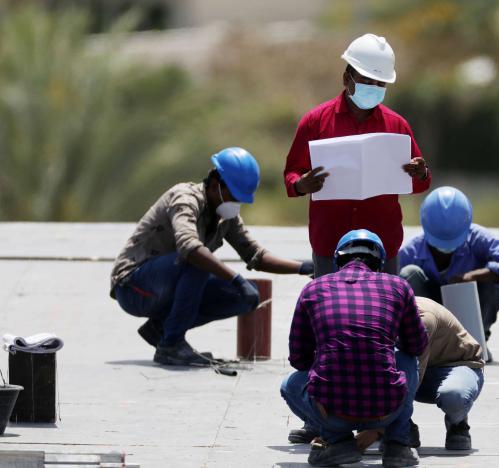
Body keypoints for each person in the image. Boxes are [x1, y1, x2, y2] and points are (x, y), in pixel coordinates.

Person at [110, 147, 314, 366]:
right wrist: (235, 278)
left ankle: (162, 329)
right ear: (216, 184)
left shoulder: (226, 216)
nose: (236, 203)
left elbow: (255, 254)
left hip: (164, 287)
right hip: (133, 287)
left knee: (246, 296)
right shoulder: (185, 198)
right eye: (233, 196)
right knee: (198, 259)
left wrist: (302, 267)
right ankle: (171, 345)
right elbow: (189, 247)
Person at [283, 33, 432, 278]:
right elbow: (291, 174)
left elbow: (420, 182)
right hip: (329, 246)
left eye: (380, 84)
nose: (374, 89)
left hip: (383, 247)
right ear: (346, 78)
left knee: (384, 315)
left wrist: (421, 172)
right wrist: (301, 184)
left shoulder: (398, 126)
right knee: (331, 315)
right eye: (367, 81)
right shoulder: (315, 122)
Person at [280, 229, 428, 467]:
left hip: (330, 412)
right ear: (379, 263)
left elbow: (299, 359)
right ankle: (398, 445)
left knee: (289, 384)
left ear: (338, 261)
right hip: (386, 409)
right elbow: (417, 345)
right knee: (408, 360)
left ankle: (337, 440)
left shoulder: (313, 289)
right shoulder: (399, 287)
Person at [399, 186, 499, 346]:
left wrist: (474, 276)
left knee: (495, 276)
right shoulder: (410, 252)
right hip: (431, 324)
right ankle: (424, 342)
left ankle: (475, 342)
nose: (445, 249)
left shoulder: (479, 238)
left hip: (470, 322)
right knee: (408, 274)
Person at [356, 297, 485, 452]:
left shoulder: (423, 319)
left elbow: (413, 377)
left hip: (456, 365)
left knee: (454, 396)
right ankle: (406, 427)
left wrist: (377, 429)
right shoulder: (373, 316)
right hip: (417, 370)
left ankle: (458, 423)